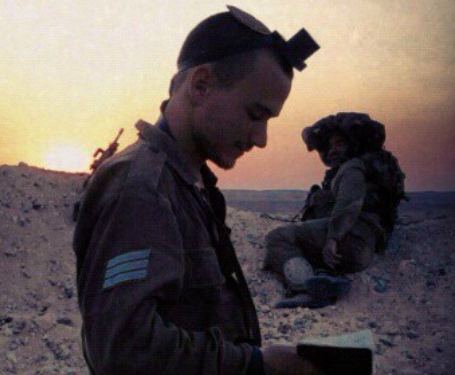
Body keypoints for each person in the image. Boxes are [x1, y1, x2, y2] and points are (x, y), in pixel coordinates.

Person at [73, 6, 321, 374]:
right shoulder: (142, 189)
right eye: (255, 115)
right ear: (201, 85)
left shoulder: (188, 182)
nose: (261, 139)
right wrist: (256, 366)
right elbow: (122, 350)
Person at [264, 112, 406, 309]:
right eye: (331, 145)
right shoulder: (369, 170)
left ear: (352, 145)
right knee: (306, 242)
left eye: (339, 143)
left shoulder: (353, 167)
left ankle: (305, 290)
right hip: (364, 246)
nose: (333, 150)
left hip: (351, 238)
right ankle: (327, 278)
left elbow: (350, 203)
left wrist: (333, 237)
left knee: (278, 237)